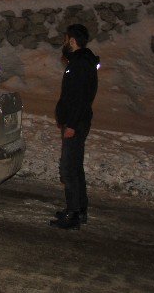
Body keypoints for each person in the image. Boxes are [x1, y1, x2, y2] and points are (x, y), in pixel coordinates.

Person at [50, 24, 99, 230]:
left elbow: (79, 98)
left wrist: (71, 124)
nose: (64, 43)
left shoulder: (79, 64)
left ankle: (73, 214)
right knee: (75, 167)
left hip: (75, 123)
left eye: (66, 39)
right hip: (77, 121)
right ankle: (79, 209)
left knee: (68, 169)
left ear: (71, 40)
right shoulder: (81, 61)